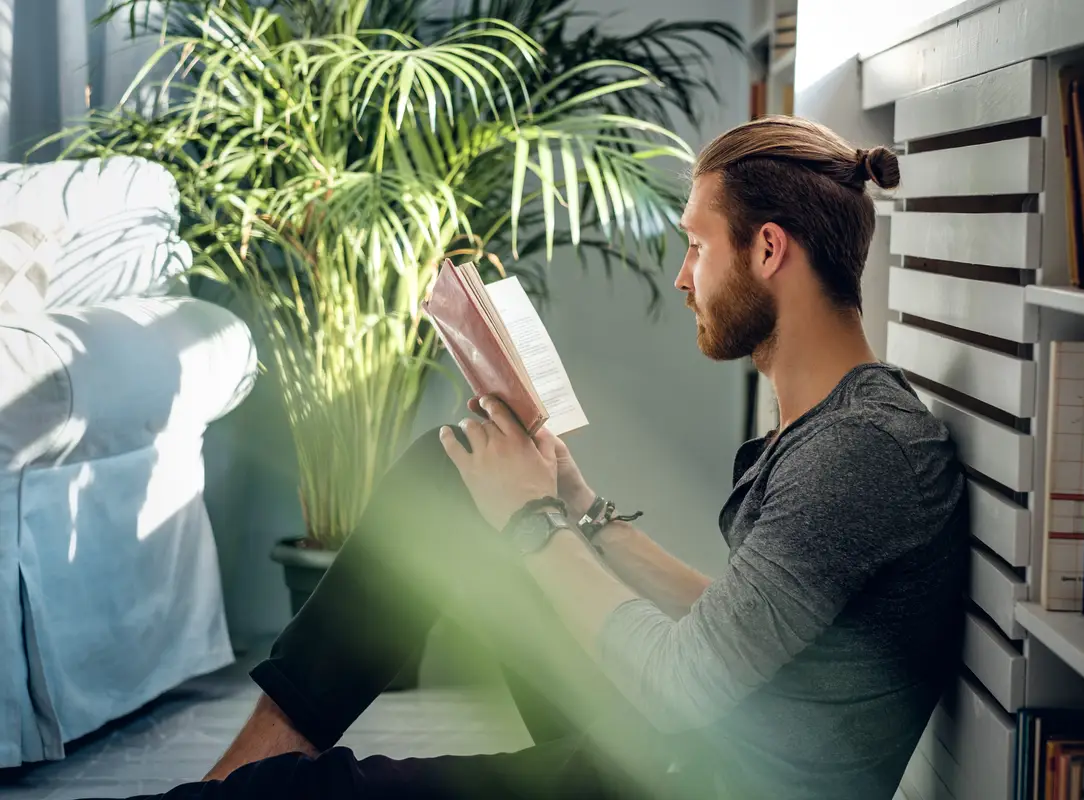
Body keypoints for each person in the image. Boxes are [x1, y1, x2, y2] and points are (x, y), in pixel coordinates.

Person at [122, 115, 968, 800]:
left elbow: (685, 684)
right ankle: (231, 779)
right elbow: (741, 627)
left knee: (316, 795)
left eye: (697, 247)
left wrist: (531, 519)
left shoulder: (857, 454)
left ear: (770, 250)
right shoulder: (842, 427)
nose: (683, 279)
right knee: (450, 473)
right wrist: (579, 506)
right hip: (696, 753)